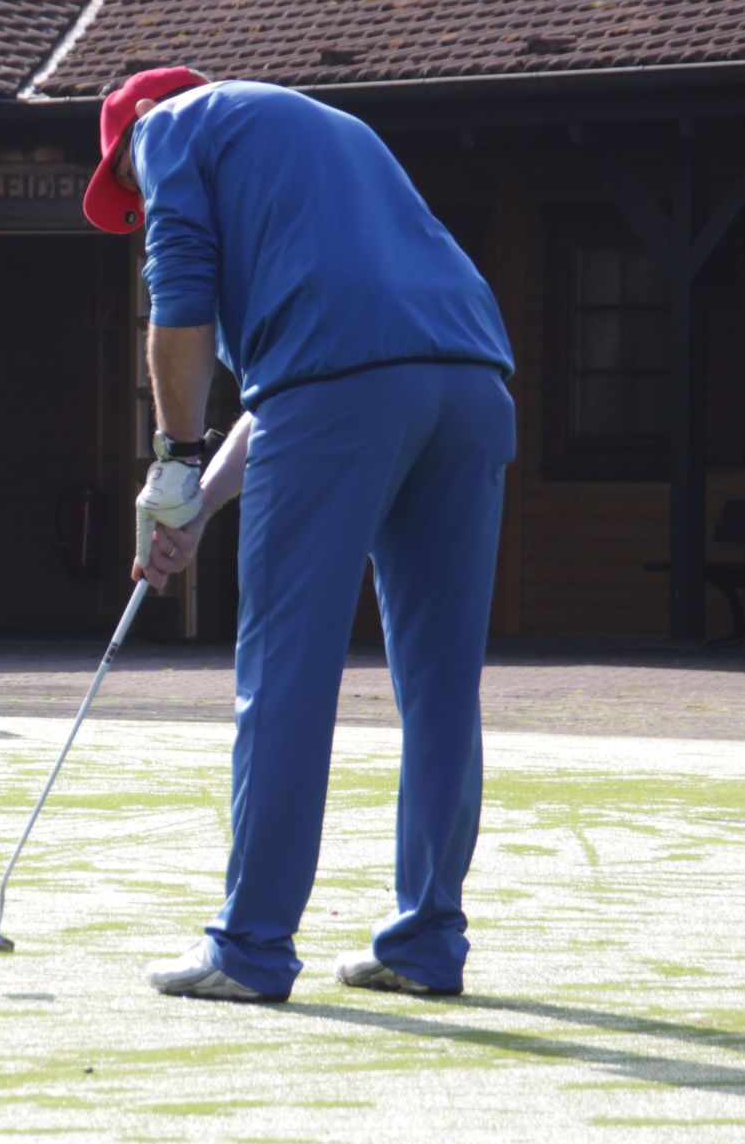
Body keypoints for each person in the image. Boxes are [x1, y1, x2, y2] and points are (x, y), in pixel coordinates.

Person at [82, 67, 515, 1001]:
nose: (142, 203)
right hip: (472, 383)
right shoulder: (315, 133)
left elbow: (182, 305)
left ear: (129, 140)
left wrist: (169, 463)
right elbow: (284, 392)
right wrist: (199, 505)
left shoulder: (167, 131)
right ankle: (426, 941)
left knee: (286, 670)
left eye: (129, 190)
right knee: (441, 684)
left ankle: (250, 948)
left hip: (345, 394)